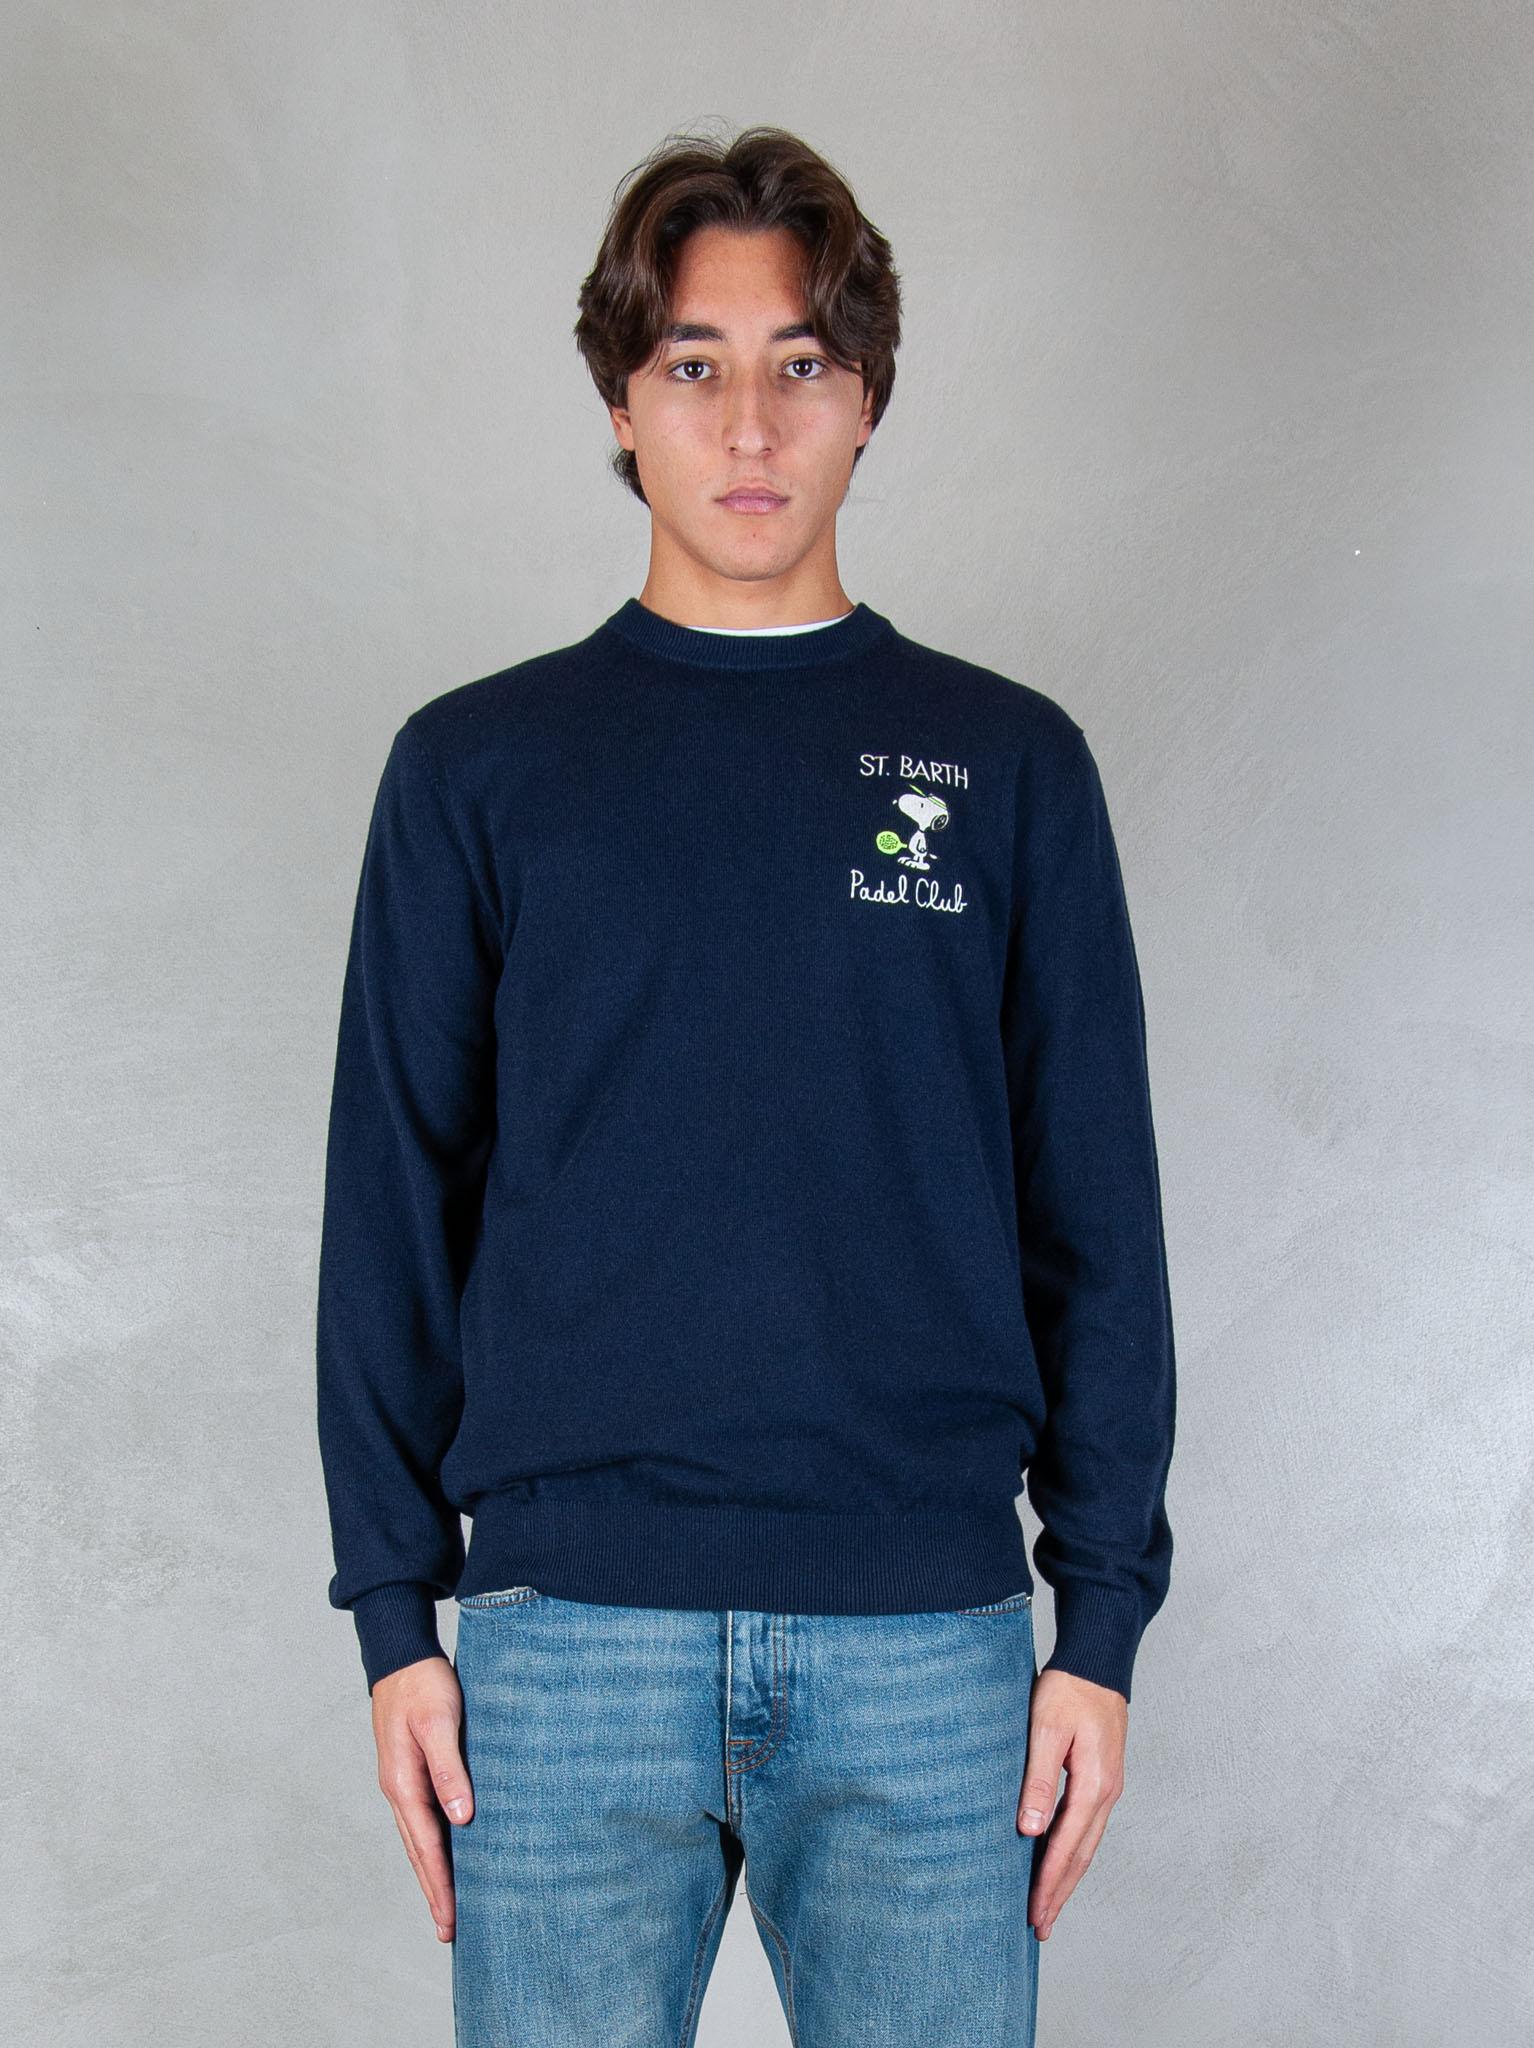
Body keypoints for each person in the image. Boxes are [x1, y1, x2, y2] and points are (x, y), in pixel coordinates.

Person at [316, 123, 1177, 2048]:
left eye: (802, 362)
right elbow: (393, 1206)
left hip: (927, 1649)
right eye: (692, 364)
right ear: (621, 406)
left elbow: (1094, 1219)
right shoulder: (476, 770)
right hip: (561, 1653)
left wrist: (1100, 1621)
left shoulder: (1006, 766)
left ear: (868, 397)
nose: (749, 422)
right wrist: (393, 1617)